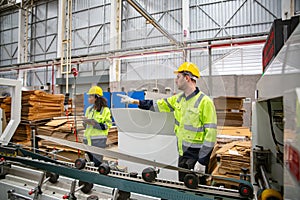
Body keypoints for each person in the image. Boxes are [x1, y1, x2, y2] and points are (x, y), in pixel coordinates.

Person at [118, 62, 217, 182]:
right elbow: (157, 105)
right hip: (182, 155)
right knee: (182, 190)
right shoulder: (178, 99)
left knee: (196, 192)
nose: (176, 80)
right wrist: (135, 101)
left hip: (196, 156)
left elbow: (210, 135)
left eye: (178, 77)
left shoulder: (205, 102)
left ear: (187, 78)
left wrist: (202, 161)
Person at [83, 86, 112, 167]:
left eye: (90, 96)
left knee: (96, 165)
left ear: (96, 97)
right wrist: (84, 122)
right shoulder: (89, 109)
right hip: (87, 142)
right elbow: (86, 126)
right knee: (88, 165)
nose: (88, 98)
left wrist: (95, 124)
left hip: (98, 142)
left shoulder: (105, 110)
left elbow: (107, 125)